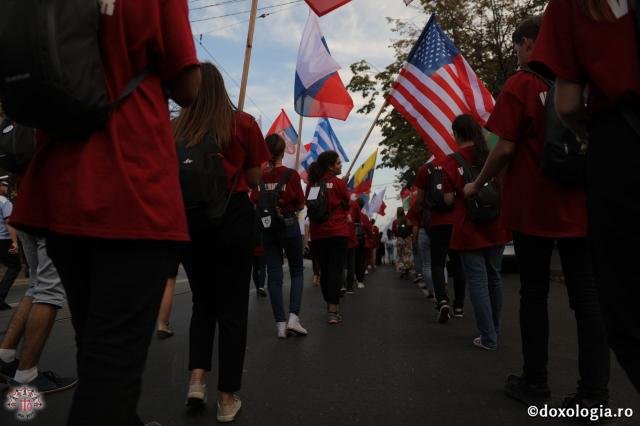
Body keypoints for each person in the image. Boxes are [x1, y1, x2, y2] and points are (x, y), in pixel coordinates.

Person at [8, 1, 201, 424]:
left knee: (95, 346)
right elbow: (188, 87)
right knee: (112, 363)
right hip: (130, 186)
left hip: (59, 188)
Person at [464, 15, 611, 407]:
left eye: (518, 49)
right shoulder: (588, 83)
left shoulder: (522, 83)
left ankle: (535, 381)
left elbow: (506, 147)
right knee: (588, 296)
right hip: (582, 205)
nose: (517, 57)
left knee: (533, 293)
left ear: (531, 43)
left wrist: (477, 183)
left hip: (533, 209)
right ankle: (594, 393)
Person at [527, 0, 640, 393]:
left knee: (625, 307)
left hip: (621, 144)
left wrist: (584, 137)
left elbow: (569, 103)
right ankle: (594, 389)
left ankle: (561, 387)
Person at [173, 62, 269, 422]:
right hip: (232, 216)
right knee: (232, 309)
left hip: (189, 220)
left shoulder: (176, 128)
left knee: (203, 302)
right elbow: (255, 177)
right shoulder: (241, 123)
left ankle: (196, 379)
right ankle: (227, 398)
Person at [441, 115, 511, 349]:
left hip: (468, 227)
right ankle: (496, 330)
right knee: (494, 277)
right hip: (496, 223)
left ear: (457, 134)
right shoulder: (490, 154)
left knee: (478, 282)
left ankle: (488, 336)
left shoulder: (451, 162)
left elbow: (448, 199)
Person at [0, 230, 77, 393]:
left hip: (27, 217)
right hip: (53, 219)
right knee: (50, 291)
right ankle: (26, 376)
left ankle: (4, 356)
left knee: (36, 285)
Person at [254, 134, 307, 339]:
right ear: (283, 151)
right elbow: (301, 204)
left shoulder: (260, 176)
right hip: (290, 224)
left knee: (274, 276)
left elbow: (255, 200)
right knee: (296, 272)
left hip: (268, 229)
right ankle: (294, 317)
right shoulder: (291, 175)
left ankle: (280, 325)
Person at [415, 161, 467, 321]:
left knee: (437, 263)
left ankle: (442, 300)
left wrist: (429, 206)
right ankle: (458, 306)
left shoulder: (426, 168)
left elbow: (420, 200)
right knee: (458, 264)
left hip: (437, 223)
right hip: (457, 221)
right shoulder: (458, 164)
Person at [306, 151, 350, 324]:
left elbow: (308, 204)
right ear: (330, 166)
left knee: (325, 270)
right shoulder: (338, 183)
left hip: (318, 234)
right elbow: (347, 203)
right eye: (338, 163)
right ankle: (333, 309)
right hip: (338, 232)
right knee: (335, 271)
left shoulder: (312, 185)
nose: (341, 165)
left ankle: (329, 302)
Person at [0, 180, 20, 311]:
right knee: (15, 266)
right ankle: (0, 296)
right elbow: (9, 222)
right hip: (3, 239)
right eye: (4, 186)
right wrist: (15, 241)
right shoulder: (4, 202)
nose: (6, 188)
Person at [407, 201, 434, 297]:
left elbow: (413, 224)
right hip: (438, 229)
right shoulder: (440, 195)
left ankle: (431, 290)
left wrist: (414, 240)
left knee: (426, 264)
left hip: (423, 232)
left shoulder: (417, 204)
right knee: (440, 264)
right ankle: (443, 289)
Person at [345, 196, 363, 295]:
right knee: (351, 263)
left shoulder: (336, 201)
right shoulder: (354, 204)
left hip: (339, 236)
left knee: (341, 263)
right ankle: (349, 287)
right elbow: (358, 219)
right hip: (351, 236)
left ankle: (342, 285)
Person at [392, 207, 414, 278]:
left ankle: (402, 270)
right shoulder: (408, 220)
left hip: (400, 239)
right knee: (407, 255)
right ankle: (407, 270)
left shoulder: (395, 222)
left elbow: (394, 231)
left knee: (401, 255)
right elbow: (411, 228)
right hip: (407, 239)